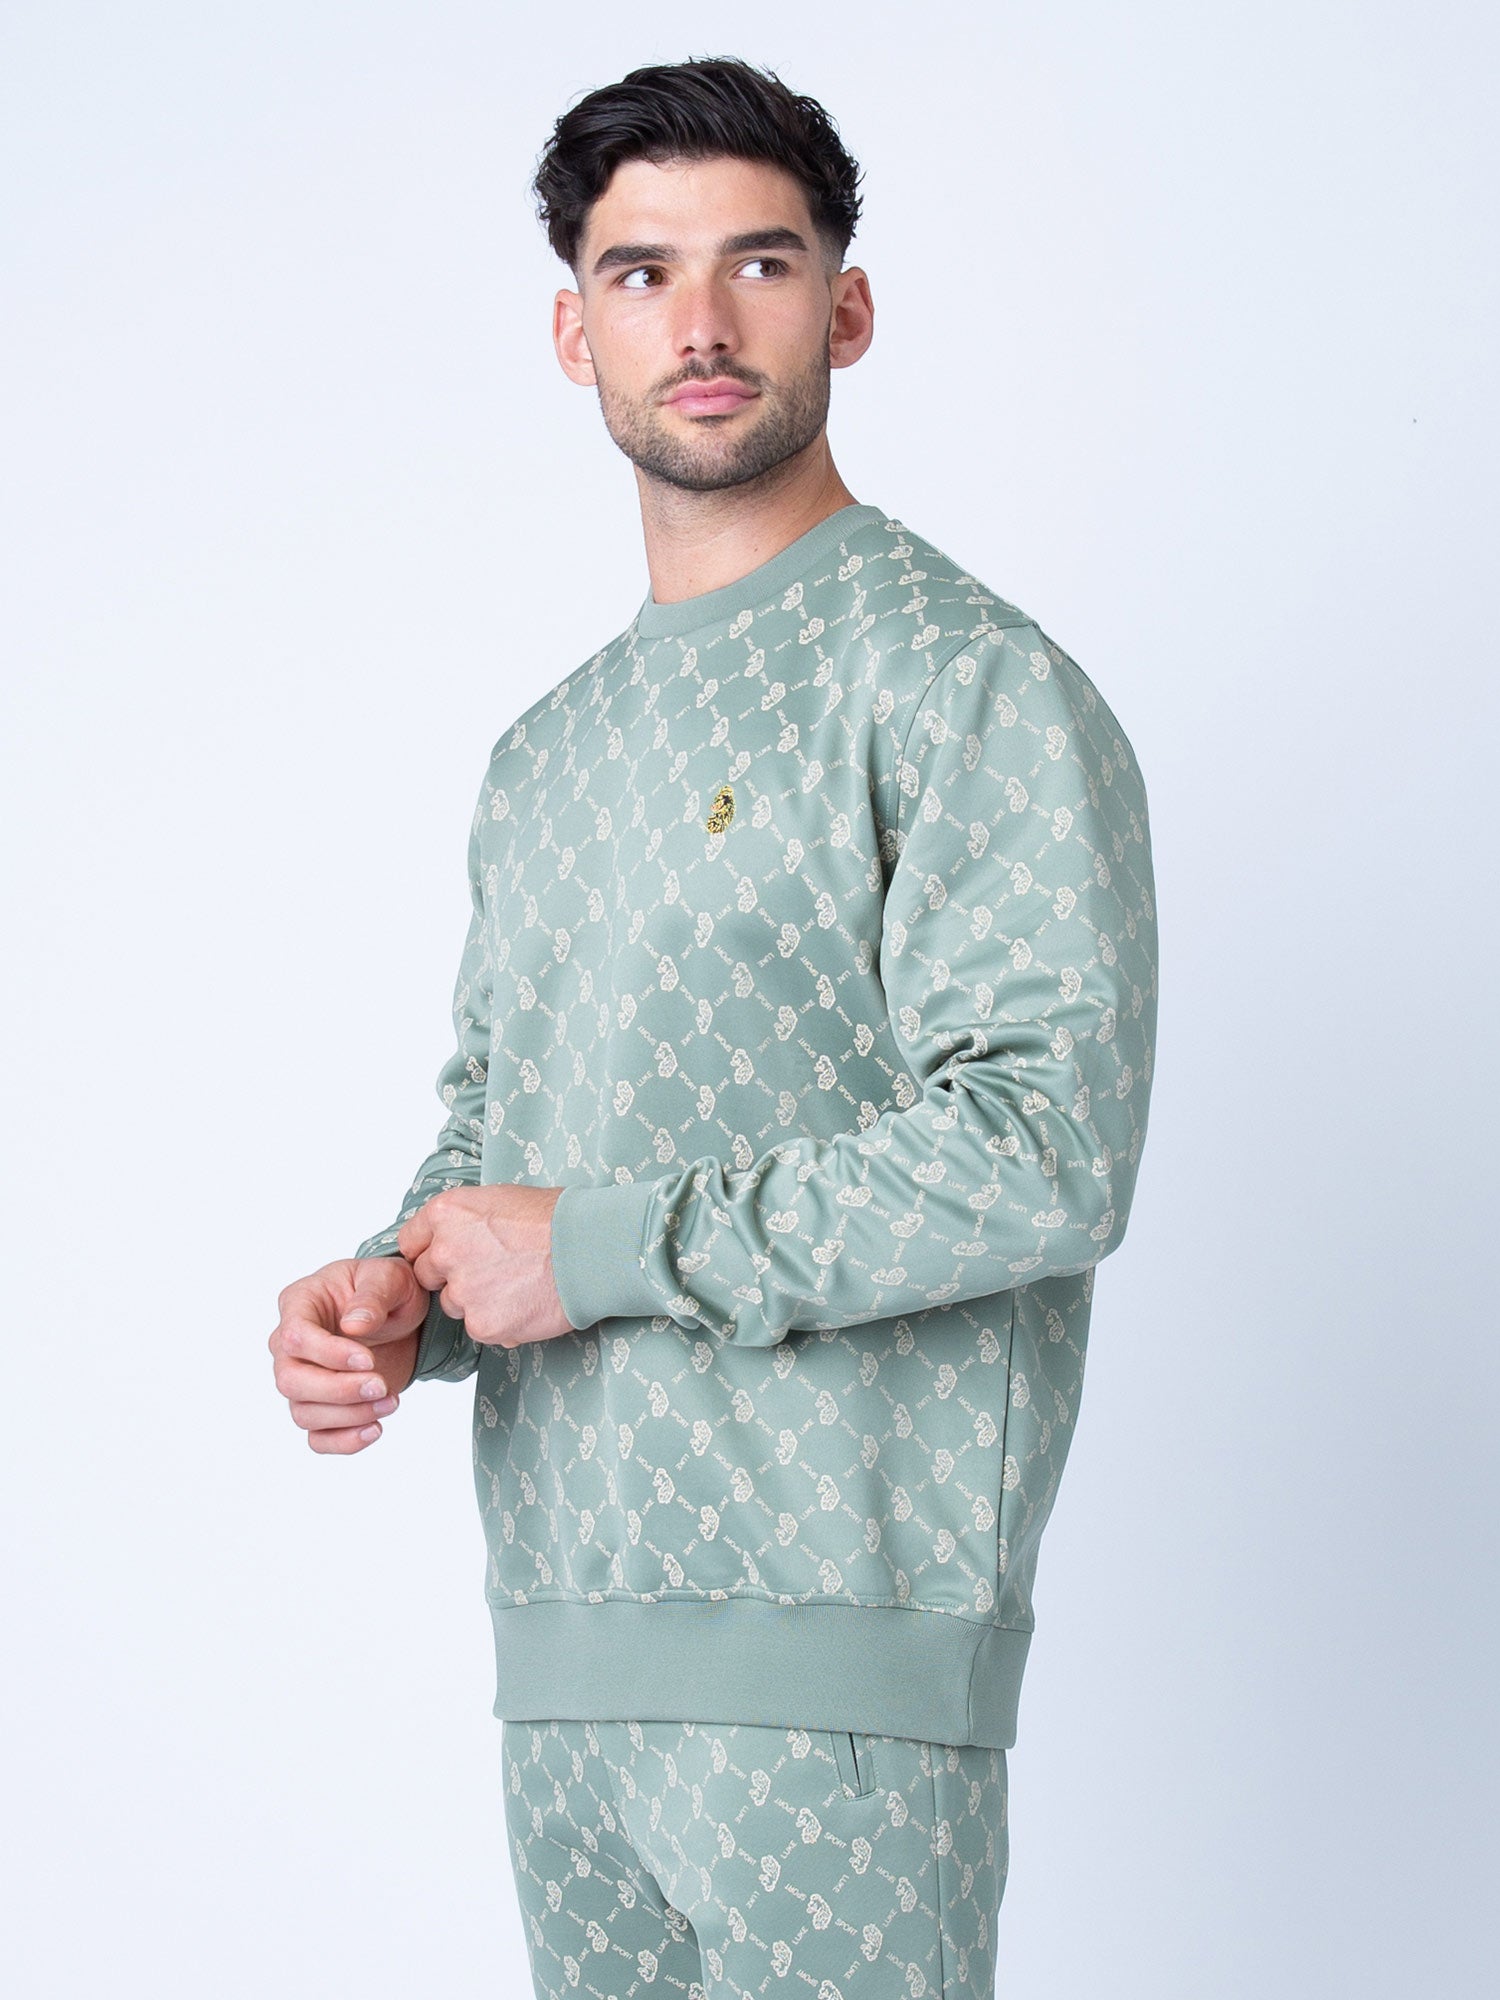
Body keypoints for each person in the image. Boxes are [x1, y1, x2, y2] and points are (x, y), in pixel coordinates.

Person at [269, 54, 1159, 1999]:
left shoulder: (963, 682)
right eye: (641, 270)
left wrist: (585, 1249)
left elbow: (1044, 1153)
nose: (699, 321)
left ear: (848, 307)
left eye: (758, 262)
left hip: (840, 1668)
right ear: (571, 330)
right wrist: (398, 1289)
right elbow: (499, 1128)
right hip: (561, 1655)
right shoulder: (545, 753)